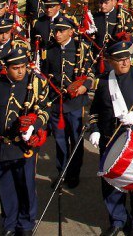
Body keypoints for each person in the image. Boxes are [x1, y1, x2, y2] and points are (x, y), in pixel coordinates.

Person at [87, 40, 133, 236]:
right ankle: (117, 219)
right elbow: (95, 111)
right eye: (119, 60)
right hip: (110, 137)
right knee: (111, 182)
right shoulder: (103, 81)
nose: (124, 63)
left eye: (126, 58)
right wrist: (94, 129)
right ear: (111, 61)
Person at [0, 48, 49, 236]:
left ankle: (25, 224)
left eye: (23, 67)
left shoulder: (36, 84)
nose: (20, 71)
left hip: (23, 145)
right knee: (6, 188)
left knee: (25, 186)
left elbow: (44, 109)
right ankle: (9, 224)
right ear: (6, 68)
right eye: (15, 68)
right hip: (1, 145)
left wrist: (35, 125)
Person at [40, 16, 94, 189]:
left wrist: (85, 87)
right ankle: (62, 172)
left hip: (75, 102)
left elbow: (91, 72)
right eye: (56, 30)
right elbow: (43, 75)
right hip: (56, 103)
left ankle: (74, 173)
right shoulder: (49, 49)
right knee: (60, 140)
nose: (57, 34)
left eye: (61, 30)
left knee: (75, 140)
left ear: (71, 32)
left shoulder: (82, 48)